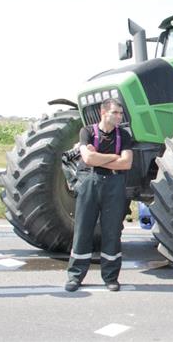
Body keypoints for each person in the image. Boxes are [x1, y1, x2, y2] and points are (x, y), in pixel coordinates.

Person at [65, 98, 133, 292]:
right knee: (83, 230)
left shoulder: (124, 135)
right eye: (116, 113)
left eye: (121, 113)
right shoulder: (87, 131)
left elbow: (126, 163)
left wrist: (99, 159)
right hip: (90, 182)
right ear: (104, 113)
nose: (119, 116)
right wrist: (114, 157)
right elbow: (87, 158)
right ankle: (75, 276)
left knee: (112, 231)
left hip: (114, 184)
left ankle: (111, 277)